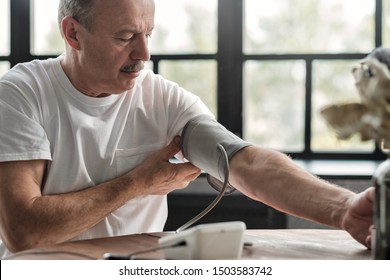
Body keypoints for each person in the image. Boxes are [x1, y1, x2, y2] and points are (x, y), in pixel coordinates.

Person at [0, 0, 374, 259]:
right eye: (126, 37)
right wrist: (138, 183)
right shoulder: (20, 95)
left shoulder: (161, 97)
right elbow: (25, 232)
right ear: (73, 33)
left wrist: (344, 208)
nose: (144, 54)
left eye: (149, 34)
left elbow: (244, 163)